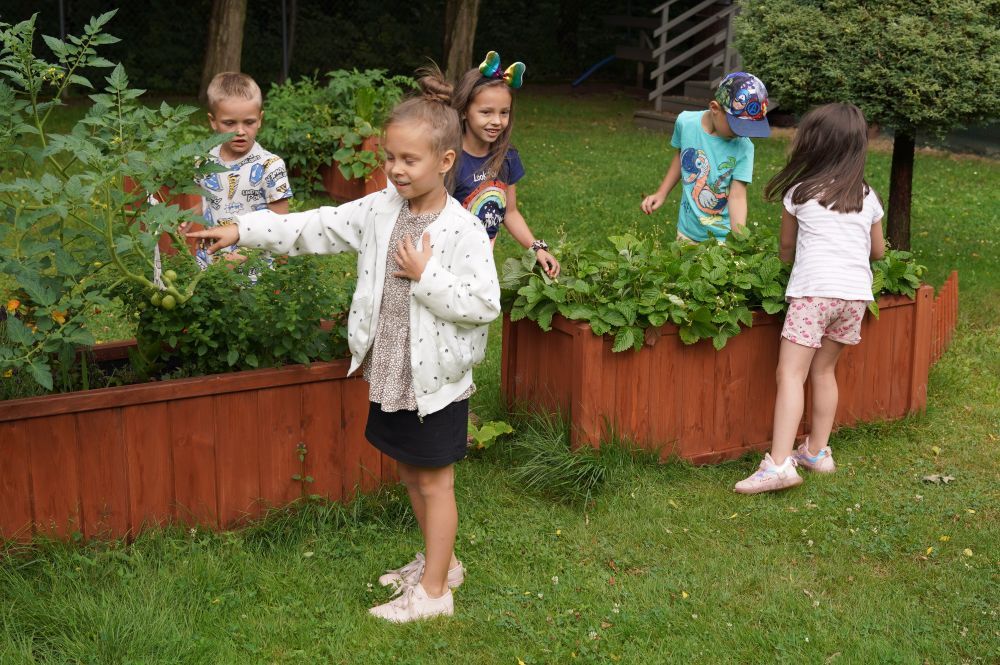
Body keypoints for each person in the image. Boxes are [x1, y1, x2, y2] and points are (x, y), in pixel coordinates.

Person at [187, 67, 501, 622]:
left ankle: (434, 594)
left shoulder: (462, 231)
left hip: (435, 383)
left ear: (445, 162)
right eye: (391, 158)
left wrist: (427, 275)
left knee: (436, 480)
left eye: (410, 160)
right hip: (392, 372)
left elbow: (483, 305)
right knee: (409, 469)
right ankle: (440, 562)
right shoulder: (380, 209)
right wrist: (243, 230)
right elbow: (315, 225)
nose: (395, 170)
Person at [734, 103, 885, 495]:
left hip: (813, 294)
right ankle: (817, 451)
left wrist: (788, 261)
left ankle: (780, 464)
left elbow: (787, 249)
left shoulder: (799, 192)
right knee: (823, 372)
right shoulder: (867, 195)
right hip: (854, 299)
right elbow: (879, 252)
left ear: (815, 146)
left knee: (790, 374)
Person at [451, 51, 560, 277]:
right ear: (463, 111)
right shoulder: (450, 160)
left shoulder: (507, 157)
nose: (496, 121)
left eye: (504, 113)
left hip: (482, 265)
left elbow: (509, 212)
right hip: (448, 262)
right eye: (486, 112)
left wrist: (536, 247)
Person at [640, 72, 770, 243]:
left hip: (722, 240)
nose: (742, 133)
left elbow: (737, 196)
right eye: (737, 126)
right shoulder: (686, 123)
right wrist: (662, 193)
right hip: (686, 231)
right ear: (715, 108)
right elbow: (682, 156)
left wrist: (738, 241)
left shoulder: (744, 146)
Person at [194, 71, 292, 267]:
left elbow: (281, 226)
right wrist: (187, 217)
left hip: (254, 269)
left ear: (260, 119)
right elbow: (206, 203)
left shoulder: (271, 167)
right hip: (211, 263)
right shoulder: (202, 162)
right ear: (213, 121)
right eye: (229, 123)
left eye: (249, 122)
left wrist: (245, 255)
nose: (240, 131)